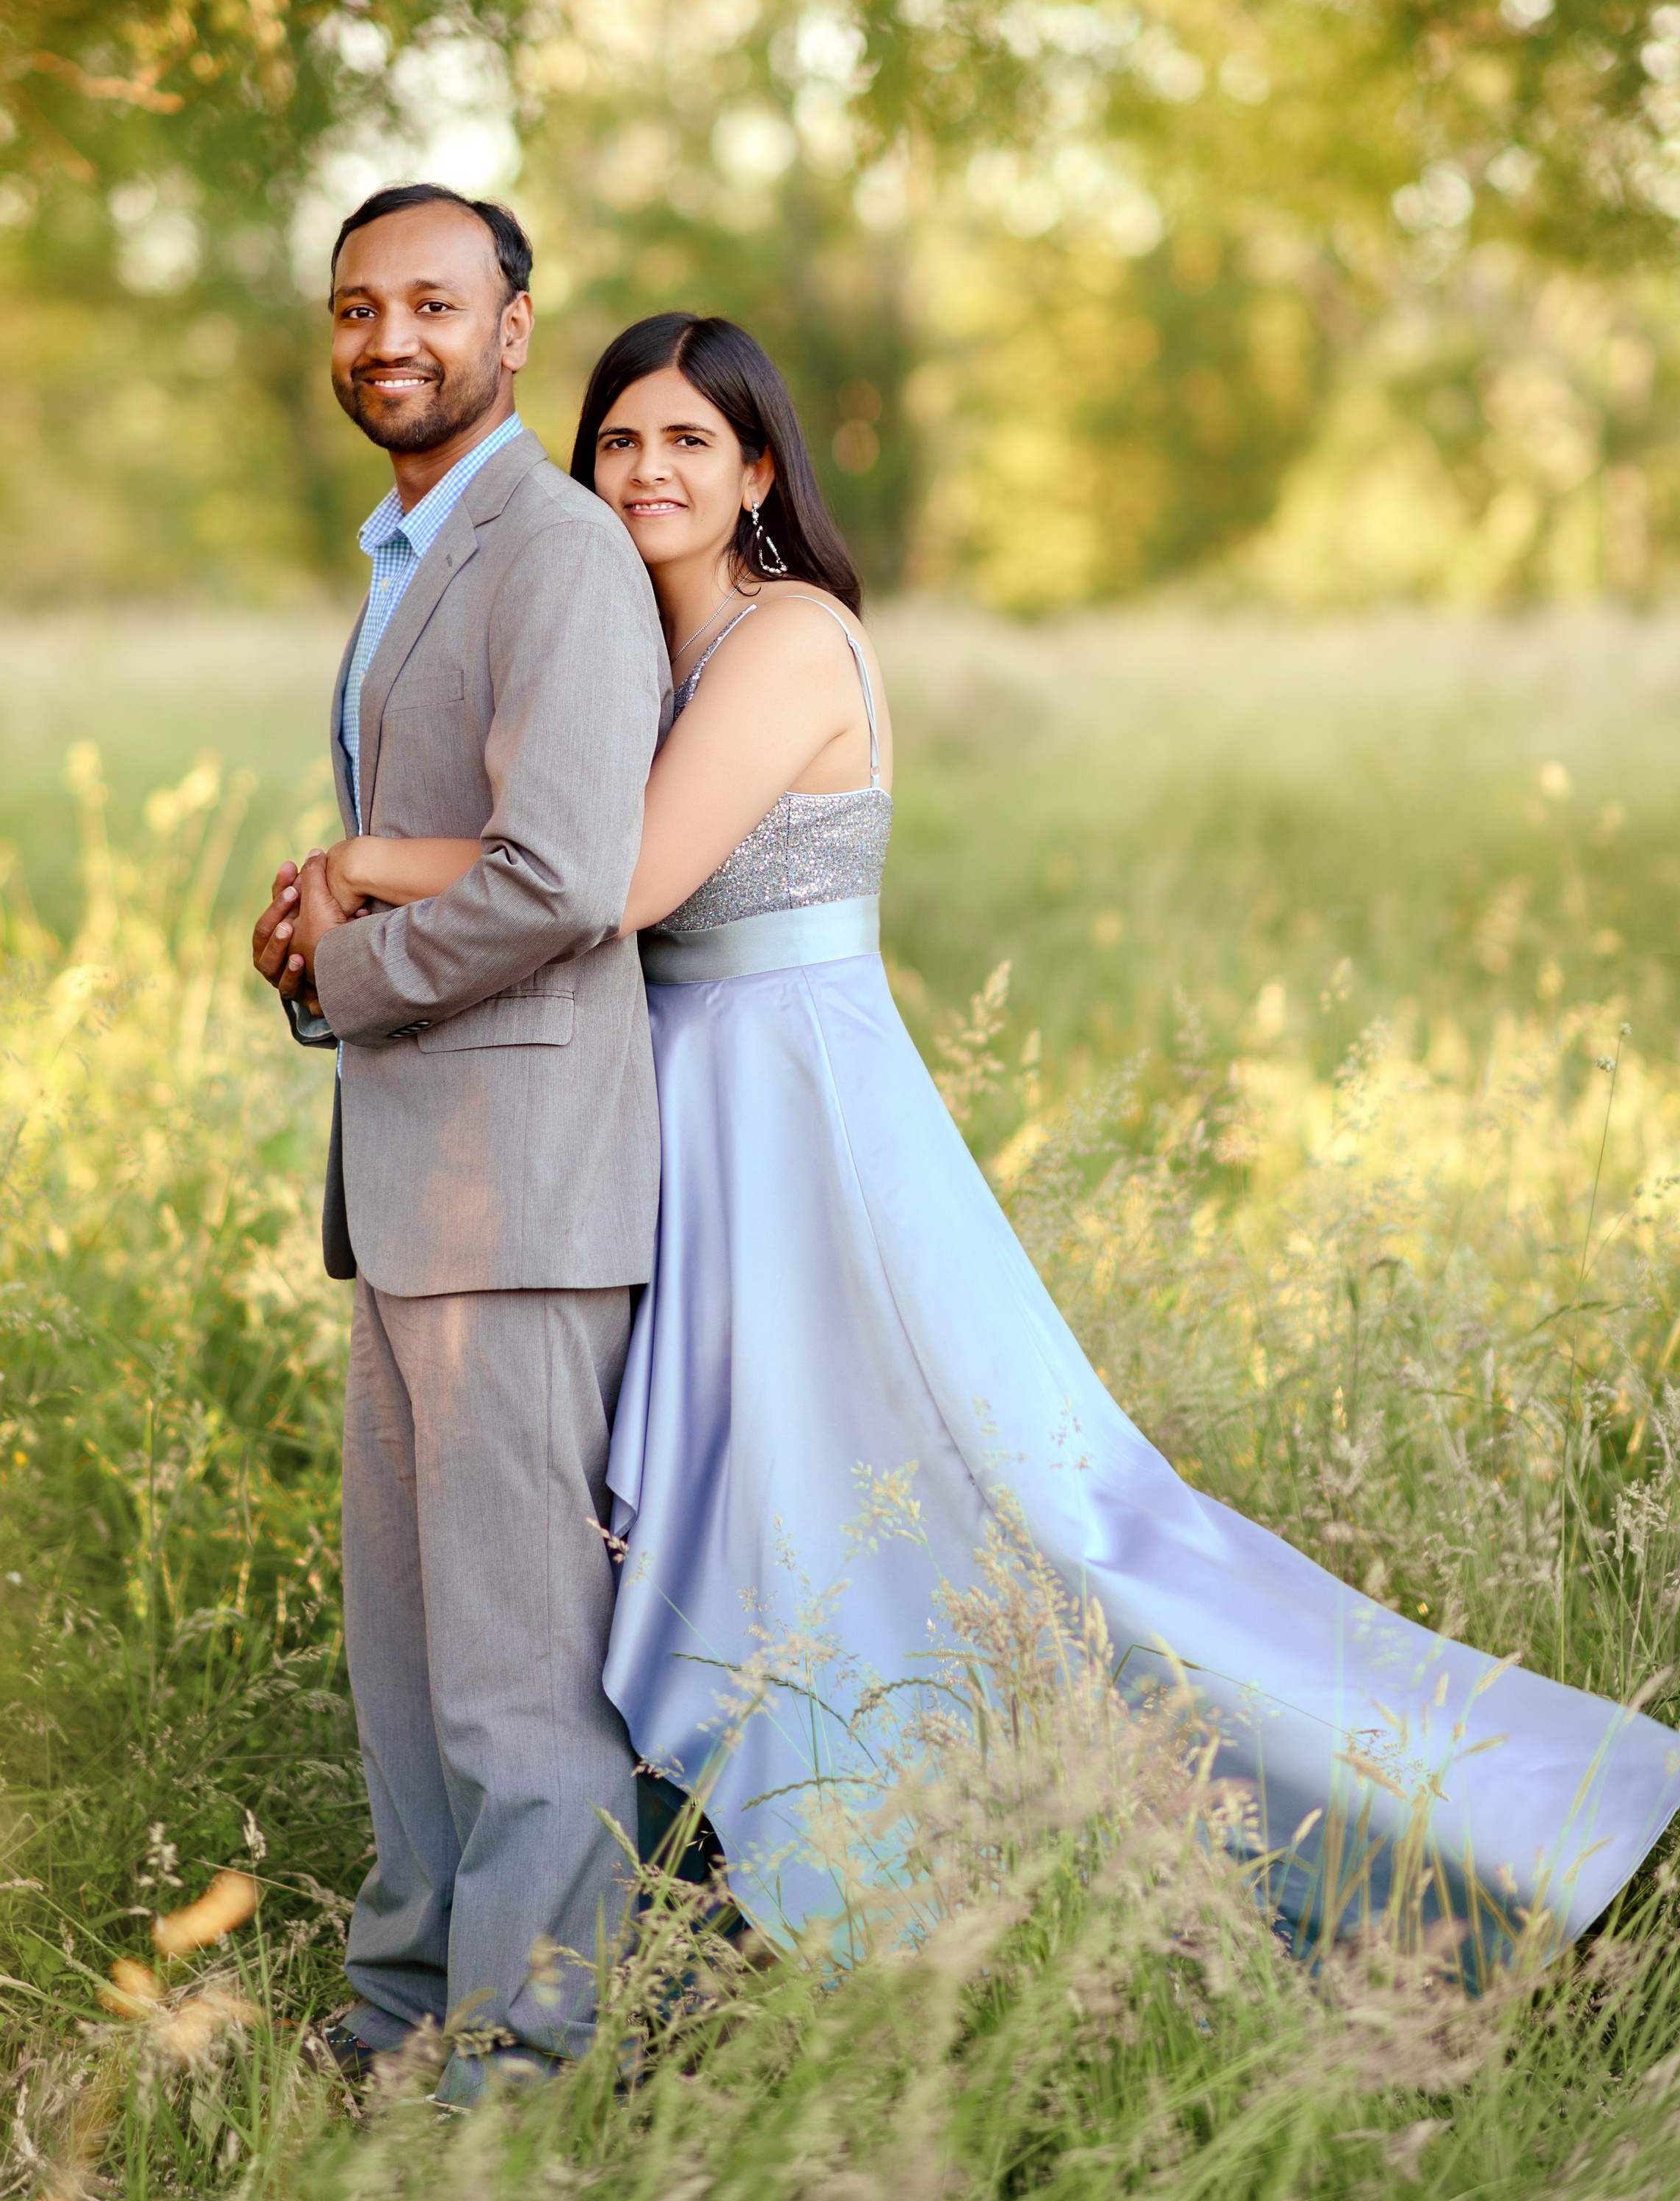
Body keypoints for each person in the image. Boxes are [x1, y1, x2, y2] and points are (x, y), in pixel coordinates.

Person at [321, 309, 1680, 1969]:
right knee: (739, 1523)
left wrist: (372, 861)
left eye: (688, 441)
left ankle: (1527, 1825)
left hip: (796, 1123)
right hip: (662, 1119)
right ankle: (783, 1887)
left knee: (1035, 1526)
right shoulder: (634, 648)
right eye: (617, 442)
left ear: (757, 470)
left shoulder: (790, 638)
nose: (646, 470)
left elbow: (613, 883)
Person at [250, 185, 671, 2099]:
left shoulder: (554, 551)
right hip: (416, 1190)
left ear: (515, 328)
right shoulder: (412, 545)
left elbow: (570, 874)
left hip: (520, 1192)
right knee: (411, 1676)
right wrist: (313, 945)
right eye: (356, 306)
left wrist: (354, 975)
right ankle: (400, 2025)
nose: (387, 336)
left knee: (515, 1680)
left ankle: (526, 2069)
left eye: (431, 301)